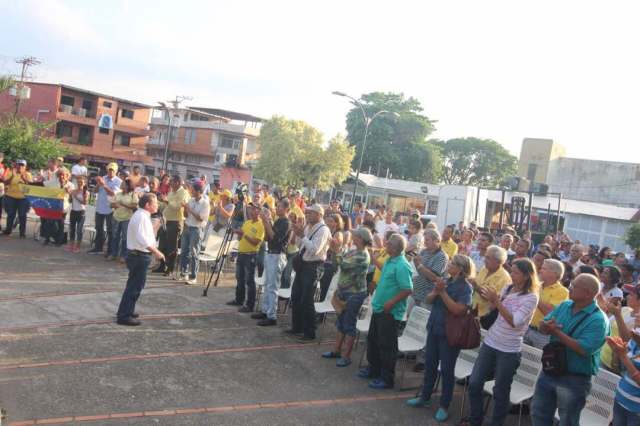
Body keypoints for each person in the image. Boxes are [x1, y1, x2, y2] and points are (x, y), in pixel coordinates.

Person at [460, 259, 539, 426]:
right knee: (474, 383)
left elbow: (515, 321)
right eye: (512, 271)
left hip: (509, 350)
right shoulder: (508, 288)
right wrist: (492, 302)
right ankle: (475, 420)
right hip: (491, 342)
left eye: (516, 272)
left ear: (526, 276)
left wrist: (496, 301)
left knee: (501, 391)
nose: (512, 275)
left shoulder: (531, 297)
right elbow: (496, 311)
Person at [530, 273, 610, 426]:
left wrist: (557, 332)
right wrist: (546, 326)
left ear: (587, 293)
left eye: (574, 286)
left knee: (568, 421)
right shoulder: (565, 305)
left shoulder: (599, 320)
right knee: (538, 413)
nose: (569, 288)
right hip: (550, 370)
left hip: (574, 379)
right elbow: (543, 325)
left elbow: (583, 349)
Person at [407, 254, 474, 422]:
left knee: (446, 371)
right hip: (435, 328)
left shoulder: (465, 288)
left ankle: (444, 405)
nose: (449, 264)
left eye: (452, 263)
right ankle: (425, 397)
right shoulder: (446, 279)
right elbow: (429, 299)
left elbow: (458, 310)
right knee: (430, 365)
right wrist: (436, 291)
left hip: (449, 334)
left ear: (460, 268)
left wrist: (442, 292)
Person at [358, 233, 413, 389]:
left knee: (387, 345)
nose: (385, 245)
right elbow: (384, 269)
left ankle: (387, 378)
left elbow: (407, 289)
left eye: (388, 244)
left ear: (394, 248)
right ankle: (373, 369)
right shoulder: (391, 260)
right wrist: (374, 259)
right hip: (379, 307)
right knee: (374, 340)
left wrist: (392, 301)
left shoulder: (402, 265)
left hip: (390, 311)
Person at [321, 227, 372, 367]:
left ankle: (346, 356)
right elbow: (338, 262)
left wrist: (336, 250)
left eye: (355, 236)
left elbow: (344, 265)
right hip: (344, 292)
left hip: (354, 294)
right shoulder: (354, 251)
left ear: (361, 239)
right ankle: (336, 351)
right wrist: (335, 251)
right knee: (341, 322)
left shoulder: (363, 255)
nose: (353, 237)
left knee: (349, 324)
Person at [115, 193, 165, 326]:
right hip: (139, 255)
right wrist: (156, 252)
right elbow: (142, 239)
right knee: (134, 287)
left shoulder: (142, 215)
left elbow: (147, 236)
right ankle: (124, 316)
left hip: (137, 255)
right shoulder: (142, 216)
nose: (157, 205)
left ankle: (127, 310)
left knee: (134, 285)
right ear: (148, 205)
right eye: (155, 203)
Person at [286, 204, 331, 343]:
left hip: (313, 266)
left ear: (319, 214)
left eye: (311, 213)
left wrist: (303, 236)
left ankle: (309, 332)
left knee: (307, 299)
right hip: (303, 265)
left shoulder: (323, 230)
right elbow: (300, 245)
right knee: (296, 296)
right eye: (308, 212)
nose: (308, 215)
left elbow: (314, 250)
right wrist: (297, 233)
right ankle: (297, 327)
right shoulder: (308, 226)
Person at [252, 199, 291, 326]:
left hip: (278, 255)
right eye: (277, 206)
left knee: (273, 286)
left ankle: (272, 315)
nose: (277, 208)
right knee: (267, 284)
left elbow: (276, 238)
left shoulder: (286, 222)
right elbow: (268, 237)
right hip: (271, 253)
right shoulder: (279, 221)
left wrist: (266, 221)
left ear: (286, 209)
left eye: (280, 207)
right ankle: (265, 310)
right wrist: (266, 223)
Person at [227, 204, 265, 311]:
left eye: (254, 209)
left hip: (251, 255)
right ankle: (239, 299)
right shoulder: (247, 222)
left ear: (259, 212)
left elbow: (256, 242)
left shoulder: (260, 225)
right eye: (251, 209)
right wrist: (238, 233)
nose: (251, 211)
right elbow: (240, 238)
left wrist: (243, 234)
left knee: (249, 280)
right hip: (241, 253)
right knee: (239, 278)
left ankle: (250, 305)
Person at [525, 259, 569, 349]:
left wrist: (534, 296)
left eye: (544, 269)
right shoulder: (537, 286)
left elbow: (550, 312)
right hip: (527, 328)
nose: (540, 270)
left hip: (543, 336)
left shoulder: (562, 291)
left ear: (554, 273)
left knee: (536, 362)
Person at [178, 182, 210, 285]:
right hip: (187, 227)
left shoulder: (205, 204)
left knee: (194, 253)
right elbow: (186, 215)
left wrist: (189, 209)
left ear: (199, 191)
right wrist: (184, 208)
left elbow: (200, 218)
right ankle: (184, 273)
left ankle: (193, 276)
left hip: (196, 229)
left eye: (193, 190)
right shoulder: (191, 200)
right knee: (184, 252)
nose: (191, 191)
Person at [157, 176, 189, 276]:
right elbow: (167, 205)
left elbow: (177, 206)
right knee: (162, 244)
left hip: (176, 221)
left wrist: (166, 201)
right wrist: (159, 202)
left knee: (172, 246)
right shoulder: (171, 192)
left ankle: (170, 269)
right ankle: (162, 266)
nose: (170, 184)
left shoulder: (184, 193)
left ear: (178, 183)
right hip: (166, 220)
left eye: (172, 182)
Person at [471, 245, 512, 323]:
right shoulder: (485, 269)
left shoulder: (505, 278)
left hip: (486, 317)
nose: (484, 260)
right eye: (485, 257)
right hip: (473, 310)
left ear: (498, 262)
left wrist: (476, 286)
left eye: (488, 258)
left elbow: (496, 300)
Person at [88, 163, 122, 255]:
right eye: (109, 170)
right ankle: (98, 247)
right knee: (98, 228)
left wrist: (104, 185)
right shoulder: (103, 178)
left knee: (110, 230)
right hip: (100, 207)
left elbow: (113, 194)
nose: (110, 172)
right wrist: (99, 184)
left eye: (113, 170)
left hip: (110, 209)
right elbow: (95, 191)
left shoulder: (119, 181)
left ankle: (110, 251)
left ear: (116, 171)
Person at [412, 229, 448, 308]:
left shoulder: (442, 256)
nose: (425, 242)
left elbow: (433, 277)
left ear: (436, 240)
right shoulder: (423, 251)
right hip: (415, 294)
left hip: (426, 298)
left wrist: (419, 265)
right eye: (424, 240)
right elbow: (417, 271)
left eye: (427, 240)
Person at [1, 159, 33, 238]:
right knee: (11, 214)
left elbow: (31, 185)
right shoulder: (11, 172)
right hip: (11, 197)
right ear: (16, 165)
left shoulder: (28, 174)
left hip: (23, 198)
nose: (20, 166)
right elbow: (5, 182)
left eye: (22, 165)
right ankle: (8, 231)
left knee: (22, 215)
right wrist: (12, 177)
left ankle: (22, 233)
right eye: (19, 164)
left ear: (25, 167)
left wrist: (24, 178)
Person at [110, 179, 137, 262]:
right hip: (116, 217)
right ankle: (114, 254)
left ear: (128, 186)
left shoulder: (133, 195)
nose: (121, 184)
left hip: (126, 218)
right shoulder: (118, 194)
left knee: (125, 238)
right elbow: (111, 204)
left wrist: (123, 204)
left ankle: (123, 256)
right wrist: (115, 205)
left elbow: (134, 206)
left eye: (123, 183)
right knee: (115, 236)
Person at [318, 213, 344, 302]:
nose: (328, 223)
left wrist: (329, 242)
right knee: (322, 286)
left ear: (336, 223)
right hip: (325, 262)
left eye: (331, 221)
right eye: (327, 221)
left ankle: (321, 313)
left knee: (325, 287)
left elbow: (336, 248)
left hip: (331, 264)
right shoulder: (328, 231)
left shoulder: (338, 234)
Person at [67, 175, 88, 253]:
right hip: (73, 211)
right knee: (72, 229)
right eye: (78, 182)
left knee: (79, 230)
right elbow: (70, 201)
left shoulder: (85, 192)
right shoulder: (73, 190)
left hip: (81, 212)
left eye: (81, 182)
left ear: (84, 183)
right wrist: (69, 194)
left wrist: (75, 196)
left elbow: (85, 202)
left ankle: (78, 246)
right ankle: (71, 245)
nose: (79, 183)